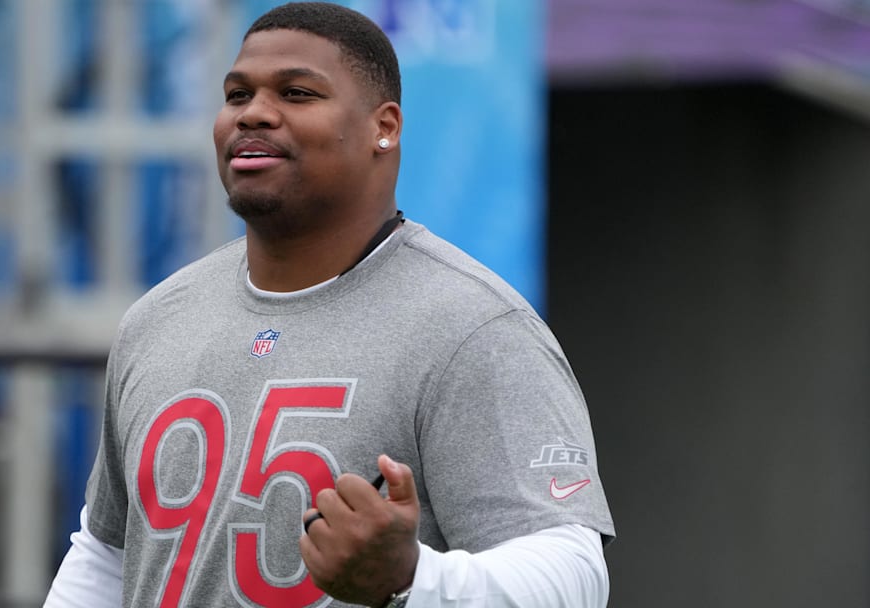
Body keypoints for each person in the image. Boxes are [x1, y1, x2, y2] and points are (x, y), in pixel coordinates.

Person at [45, 3, 615, 607]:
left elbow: (573, 574)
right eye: (237, 95)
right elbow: (107, 553)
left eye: (295, 93)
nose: (254, 114)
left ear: (384, 127)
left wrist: (414, 577)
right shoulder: (157, 318)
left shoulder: (472, 327)